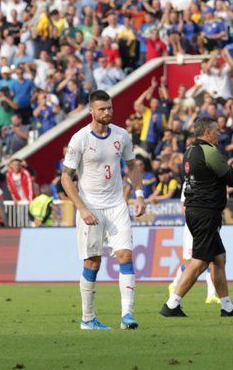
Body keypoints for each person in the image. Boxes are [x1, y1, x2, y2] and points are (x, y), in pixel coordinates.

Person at [59, 90, 146, 331]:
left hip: (117, 204)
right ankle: (88, 319)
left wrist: (139, 195)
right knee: (93, 263)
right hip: (92, 207)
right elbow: (66, 178)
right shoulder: (79, 139)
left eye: (109, 108)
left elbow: (132, 166)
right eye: (102, 109)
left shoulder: (122, 135)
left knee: (126, 256)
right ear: (91, 112)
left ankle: (127, 315)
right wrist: (82, 208)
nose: (107, 112)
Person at [160, 116, 233, 317]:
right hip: (206, 211)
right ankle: (172, 304)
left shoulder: (189, 152)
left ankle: (227, 306)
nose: (219, 133)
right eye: (217, 130)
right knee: (200, 261)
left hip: (195, 209)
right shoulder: (210, 152)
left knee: (218, 259)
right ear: (208, 133)